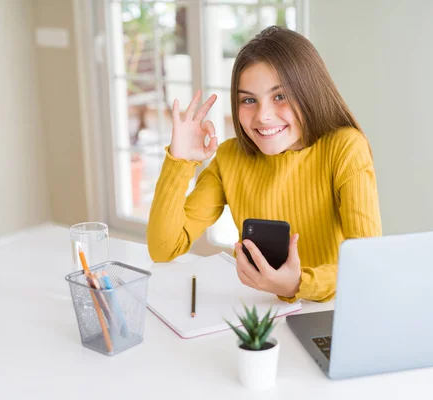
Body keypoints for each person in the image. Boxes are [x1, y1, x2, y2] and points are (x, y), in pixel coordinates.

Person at [147, 26, 382, 303]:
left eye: (279, 96)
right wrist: (180, 160)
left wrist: (298, 284)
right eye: (249, 100)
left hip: (329, 312)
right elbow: (163, 248)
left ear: (309, 92)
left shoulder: (345, 148)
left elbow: (369, 266)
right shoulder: (230, 157)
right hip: (257, 310)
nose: (263, 116)